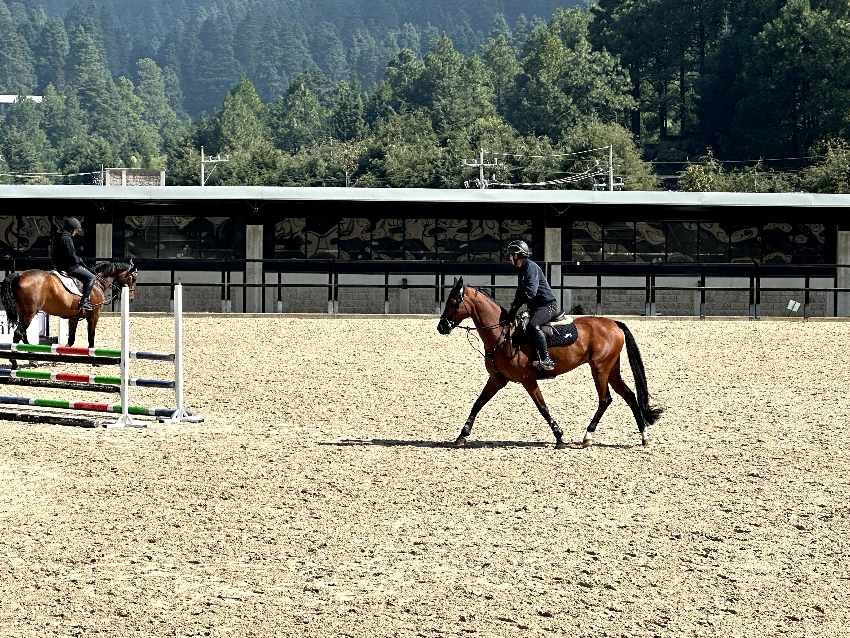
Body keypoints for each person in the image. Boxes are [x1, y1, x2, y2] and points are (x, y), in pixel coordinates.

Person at [506, 239, 558, 371]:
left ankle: (546, 359)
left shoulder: (530, 267)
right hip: (535, 307)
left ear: (517, 255)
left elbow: (531, 292)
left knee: (533, 325)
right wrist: (512, 311)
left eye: (510, 255)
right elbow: (520, 293)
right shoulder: (522, 269)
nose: (509, 258)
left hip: (548, 306)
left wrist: (518, 304)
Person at [53, 217, 95, 312]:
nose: (76, 232)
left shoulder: (58, 237)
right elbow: (71, 255)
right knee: (91, 277)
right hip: (69, 267)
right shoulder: (66, 239)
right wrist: (79, 260)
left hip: (58, 266)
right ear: (72, 229)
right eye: (76, 230)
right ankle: (84, 302)